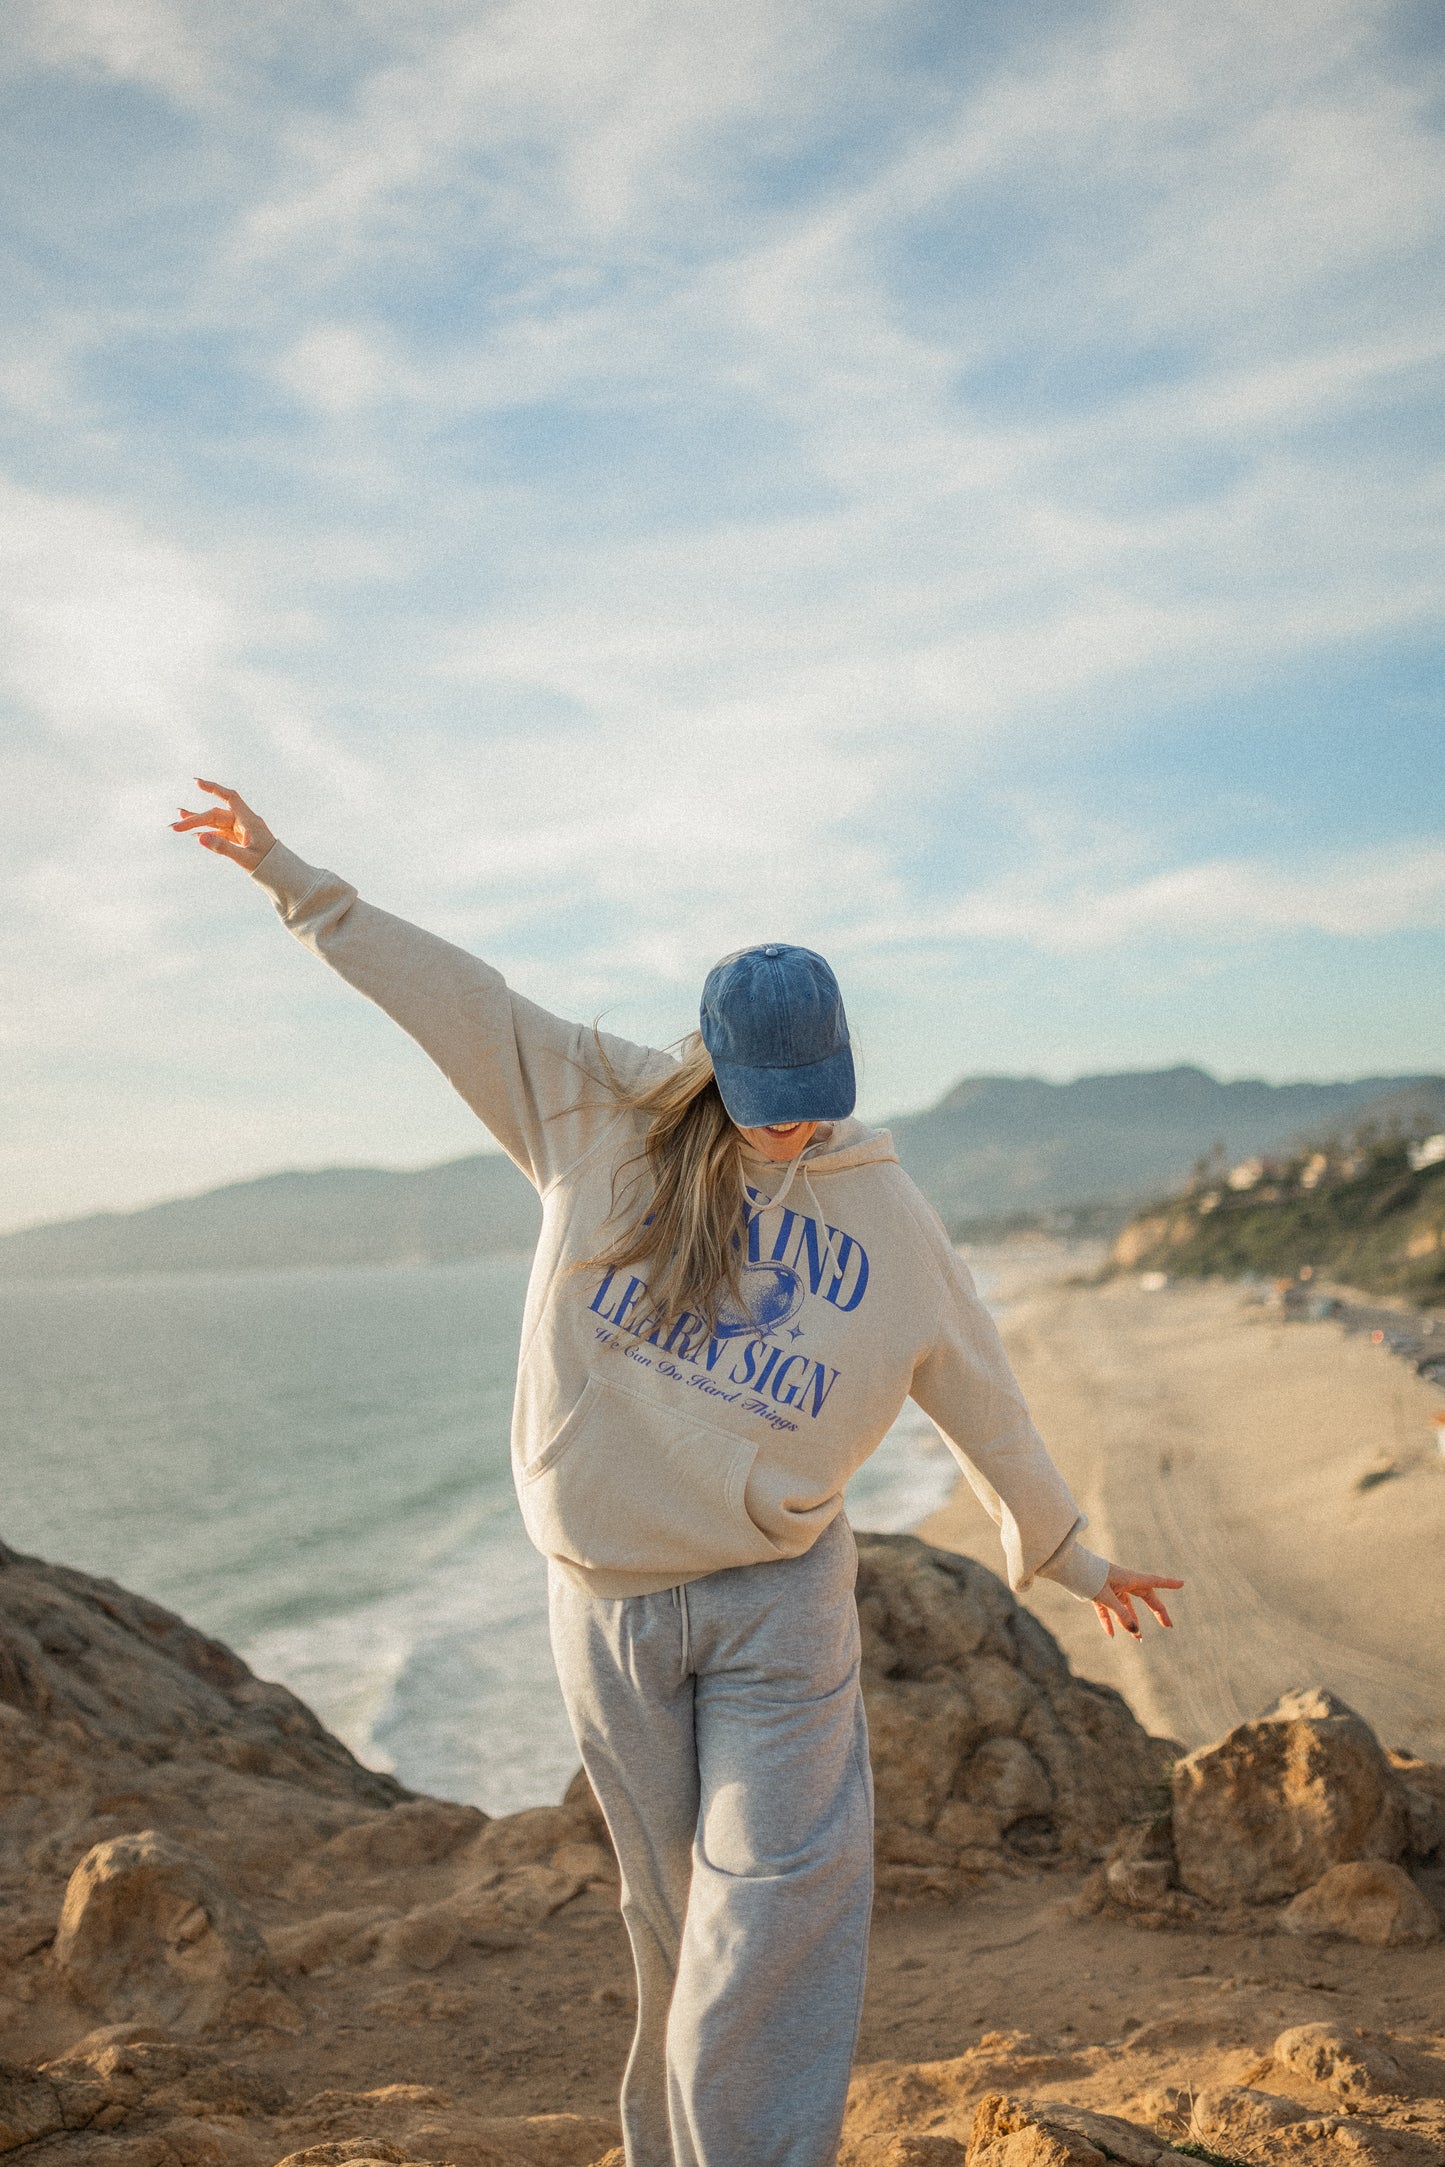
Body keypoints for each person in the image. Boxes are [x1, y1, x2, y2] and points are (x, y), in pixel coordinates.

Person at [173, 779, 1182, 2167]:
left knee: (773, 1902)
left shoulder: (880, 1208)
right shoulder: (594, 1111)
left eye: (809, 1104)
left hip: (779, 1600)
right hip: (605, 1605)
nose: (787, 1131)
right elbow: (447, 993)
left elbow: (975, 1383)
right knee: (673, 1923)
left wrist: (1071, 1549)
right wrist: (288, 874)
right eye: (766, 1105)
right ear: (711, 1058)